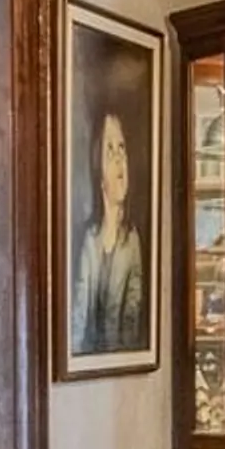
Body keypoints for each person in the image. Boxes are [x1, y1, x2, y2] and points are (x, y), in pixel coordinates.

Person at [74, 107, 146, 354]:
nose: (119, 159)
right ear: (98, 169)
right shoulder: (89, 240)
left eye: (122, 148)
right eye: (110, 150)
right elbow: (78, 316)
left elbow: (132, 321)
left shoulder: (132, 241)